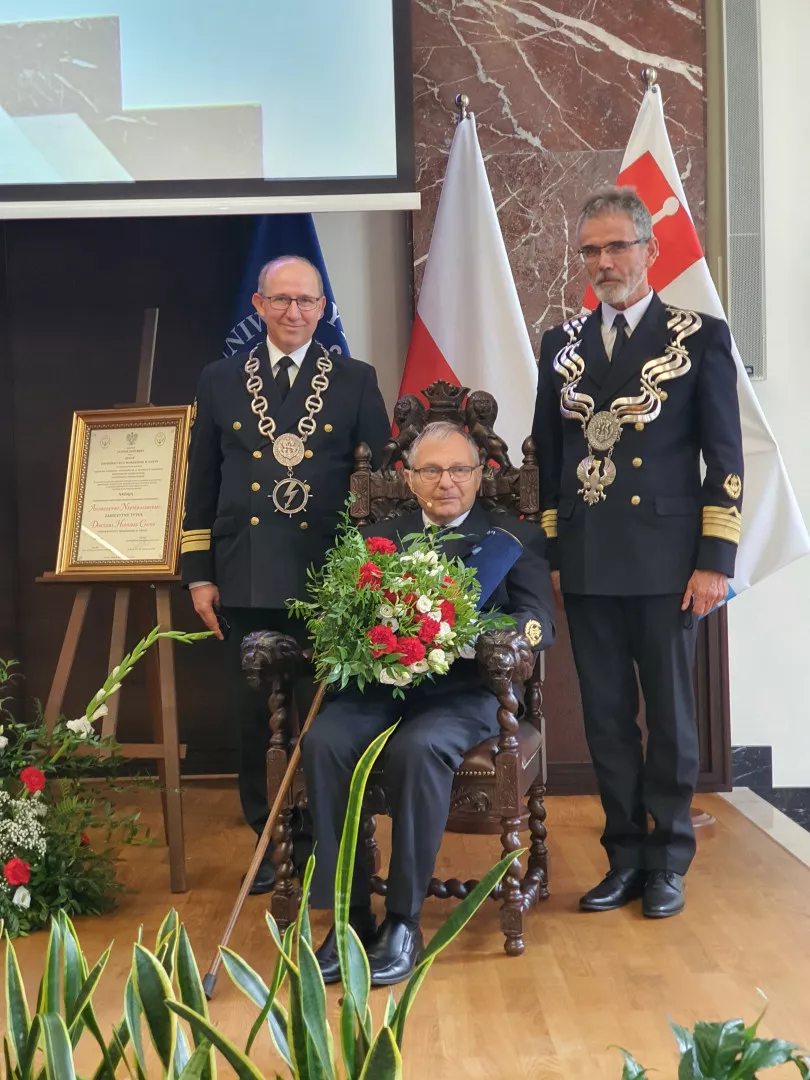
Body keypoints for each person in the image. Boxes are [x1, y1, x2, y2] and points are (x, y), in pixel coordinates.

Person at [532, 186, 744, 918]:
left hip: (667, 561)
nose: (603, 262)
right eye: (590, 250)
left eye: (617, 246)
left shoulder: (698, 337)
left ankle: (669, 859)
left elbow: (725, 457)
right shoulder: (560, 345)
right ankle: (623, 856)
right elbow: (550, 457)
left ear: (650, 250)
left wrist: (715, 559)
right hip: (589, 557)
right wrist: (553, 553)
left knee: (673, 719)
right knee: (606, 718)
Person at [301, 421, 556, 985]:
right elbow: (345, 611)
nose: (447, 482)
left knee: (418, 748)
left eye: (459, 469)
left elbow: (539, 623)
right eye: (432, 471)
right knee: (323, 740)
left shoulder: (512, 538)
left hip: (466, 694)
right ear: (410, 479)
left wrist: (462, 636)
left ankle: (402, 922)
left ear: (479, 475)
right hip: (381, 688)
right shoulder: (378, 538)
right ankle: (348, 917)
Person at [181, 255, 391, 891]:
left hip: (333, 580)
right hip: (246, 575)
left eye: (305, 301)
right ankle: (271, 842)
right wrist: (199, 573)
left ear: (323, 308)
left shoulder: (355, 378)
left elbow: (380, 485)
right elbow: (201, 483)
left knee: (331, 719)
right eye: (281, 300)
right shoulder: (220, 379)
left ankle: (330, 842)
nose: (293, 311)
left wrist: (375, 573)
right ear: (259, 305)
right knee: (257, 721)